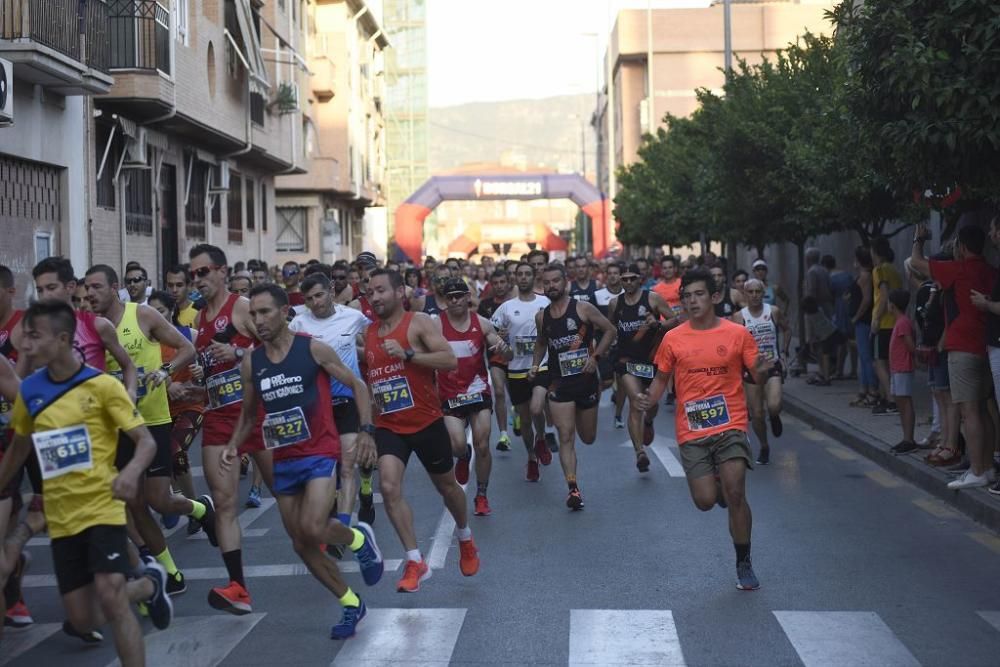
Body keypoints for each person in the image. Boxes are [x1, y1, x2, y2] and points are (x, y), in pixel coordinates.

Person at [0, 300, 174, 662]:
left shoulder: (102, 387)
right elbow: (18, 449)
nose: (27, 345)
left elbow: (144, 441)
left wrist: (128, 473)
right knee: (84, 618)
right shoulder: (30, 392)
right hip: (62, 519)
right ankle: (147, 584)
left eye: (35, 336)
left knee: (111, 597)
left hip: (103, 507)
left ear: (63, 339)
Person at [223, 284, 384, 639]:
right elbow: (250, 414)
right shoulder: (253, 361)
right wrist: (234, 444)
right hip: (284, 457)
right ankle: (350, 603)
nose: (258, 320)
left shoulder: (312, 348)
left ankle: (357, 540)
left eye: (265, 312)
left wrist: (367, 431)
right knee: (300, 542)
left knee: (312, 527)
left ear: (284, 313)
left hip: (320, 452)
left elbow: (357, 385)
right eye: (254, 314)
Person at [636, 268, 769, 591]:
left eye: (698, 295)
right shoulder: (673, 338)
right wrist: (648, 400)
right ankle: (718, 488)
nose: (692, 302)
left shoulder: (736, 334)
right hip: (693, 430)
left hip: (731, 424)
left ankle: (743, 561)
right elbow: (662, 378)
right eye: (686, 296)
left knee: (737, 492)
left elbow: (756, 373)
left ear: (715, 297)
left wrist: (764, 372)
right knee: (706, 501)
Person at [84, 265, 205, 596]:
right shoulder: (87, 327)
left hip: (152, 420)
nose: (90, 293)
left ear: (115, 288)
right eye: (86, 287)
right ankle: (170, 572)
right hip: (114, 428)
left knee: (160, 501)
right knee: (135, 504)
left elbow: (187, 349)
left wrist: (165, 371)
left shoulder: (143, 315)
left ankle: (198, 507)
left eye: (96, 286)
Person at [364, 269, 479, 592]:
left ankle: (465, 537)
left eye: (381, 290)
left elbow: (448, 360)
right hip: (390, 425)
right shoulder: (369, 332)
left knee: (447, 488)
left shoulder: (419, 323)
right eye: (370, 292)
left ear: (400, 292)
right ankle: (415, 560)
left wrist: (410, 354)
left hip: (426, 421)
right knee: (388, 487)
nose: (375, 297)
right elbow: (371, 381)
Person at [189, 243, 272, 614]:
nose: (198, 279)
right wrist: (195, 378)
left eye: (203, 272)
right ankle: (238, 586)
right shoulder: (198, 320)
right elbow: (212, 371)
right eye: (193, 274)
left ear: (222, 271)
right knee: (223, 502)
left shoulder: (240, 308)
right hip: (221, 416)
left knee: (287, 496)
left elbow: (276, 349)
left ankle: (329, 534)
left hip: (257, 413)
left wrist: (238, 354)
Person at [911, 224, 997, 489]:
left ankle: (978, 469)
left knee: (968, 411)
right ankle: (988, 467)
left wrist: (919, 239)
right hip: (985, 346)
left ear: (961, 247)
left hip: (962, 347)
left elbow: (916, 263)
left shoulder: (958, 270)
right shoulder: (990, 270)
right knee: (983, 411)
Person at [290, 273, 377, 526]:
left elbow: (374, 339)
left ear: (330, 290)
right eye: (309, 299)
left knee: (349, 465)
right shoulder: (297, 324)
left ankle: (344, 522)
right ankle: (334, 511)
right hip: (316, 404)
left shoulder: (352, 317)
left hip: (349, 397)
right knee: (328, 468)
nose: (315, 303)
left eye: (319, 295)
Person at [532, 264, 616, 509]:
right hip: (559, 385)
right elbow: (540, 343)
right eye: (547, 283)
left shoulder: (582, 309)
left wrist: (596, 357)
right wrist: (536, 366)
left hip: (587, 382)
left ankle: (574, 483)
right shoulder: (542, 316)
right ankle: (573, 489)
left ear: (565, 282)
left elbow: (610, 331)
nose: (551, 286)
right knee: (565, 436)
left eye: (556, 281)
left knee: (587, 438)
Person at [437, 279, 510, 515]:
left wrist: (503, 348)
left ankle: (481, 494)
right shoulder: (436, 325)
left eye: (459, 295)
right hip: (449, 393)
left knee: (483, 442)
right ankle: (462, 456)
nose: (455, 300)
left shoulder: (482, 323)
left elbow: (506, 354)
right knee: (457, 444)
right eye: (450, 296)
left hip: (477, 390)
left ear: (468, 297)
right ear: (444, 300)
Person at [608, 264, 675, 472]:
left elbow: (675, 319)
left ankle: (649, 422)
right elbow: (611, 328)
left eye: (632, 278)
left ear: (640, 279)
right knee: (636, 402)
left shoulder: (652, 299)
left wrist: (659, 324)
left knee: (650, 404)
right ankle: (640, 452)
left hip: (651, 360)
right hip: (626, 361)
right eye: (624, 278)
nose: (628, 282)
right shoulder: (615, 303)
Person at [146, 291, 202, 532]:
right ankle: (185, 503)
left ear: (171, 311)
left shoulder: (189, 335)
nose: (154, 316)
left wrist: (201, 372)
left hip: (191, 405)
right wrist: (168, 384)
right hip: (160, 410)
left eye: (159, 311)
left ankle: (187, 504)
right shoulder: (145, 342)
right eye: (151, 311)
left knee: (174, 450)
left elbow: (209, 364)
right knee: (167, 458)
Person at [491, 263, 551, 481]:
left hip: (540, 364)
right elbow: (492, 331)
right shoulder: (507, 307)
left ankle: (542, 437)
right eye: (520, 274)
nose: (524, 278)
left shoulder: (545, 302)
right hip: (516, 370)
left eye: (528, 274)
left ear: (534, 277)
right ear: (515, 278)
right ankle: (532, 457)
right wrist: (501, 339)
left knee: (537, 409)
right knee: (525, 421)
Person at [732, 279, 791, 465]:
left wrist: (784, 353)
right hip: (751, 370)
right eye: (751, 292)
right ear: (745, 294)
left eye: (758, 291)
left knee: (773, 405)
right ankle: (764, 446)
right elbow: (735, 345)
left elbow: (787, 329)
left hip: (772, 365)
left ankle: (774, 416)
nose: (755, 295)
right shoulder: (739, 317)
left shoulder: (772, 311)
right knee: (757, 414)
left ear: (763, 292)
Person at [477, 268, 514, 452]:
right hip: (496, 355)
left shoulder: (517, 302)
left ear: (508, 283)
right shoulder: (485, 305)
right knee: (499, 392)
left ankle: (516, 413)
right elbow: (481, 330)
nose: (499, 286)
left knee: (515, 395)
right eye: (496, 283)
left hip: (518, 356)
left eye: (502, 282)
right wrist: (494, 335)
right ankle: (503, 435)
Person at [870, 237, 903, 415]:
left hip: (884, 323)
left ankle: (891, 400)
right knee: (889, 362)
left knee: (879, 362)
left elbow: (883, 295)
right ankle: (886, 397)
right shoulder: (894, 270)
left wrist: (876, 319)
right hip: (896, 321)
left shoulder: (880, 270)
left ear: (875, 252)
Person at [886, 289, 917, 453]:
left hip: (903, 368)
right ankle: (905, 437)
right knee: (900, 403)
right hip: (896, 369)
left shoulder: (903, 322)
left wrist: (917, 356)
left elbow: (910, 345)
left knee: (905, 403)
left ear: (892, 305)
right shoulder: (899, 322)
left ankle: (909, 439)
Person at [849, 246, 879, 408]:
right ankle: (864, 390)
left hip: (864, 321)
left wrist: (856, 317)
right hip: (863, 321)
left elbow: (867, 300)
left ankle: (872, 391)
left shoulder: (865, 276)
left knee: (867, 357)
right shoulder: (865, 275)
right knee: (863, 356)